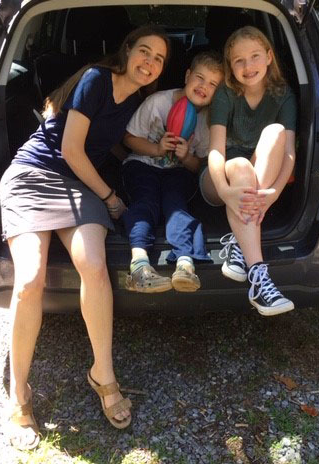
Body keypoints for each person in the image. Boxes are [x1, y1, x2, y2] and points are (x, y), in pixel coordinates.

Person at [0, 26, 170, 449]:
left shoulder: (134, 99)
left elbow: (113, 140)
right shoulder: (96, 78)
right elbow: (74, 150)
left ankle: (103, 376)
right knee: (29, 281)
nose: (148, 62)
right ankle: (20, 395)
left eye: (159, 59)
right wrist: (112, 197)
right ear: (126, 51)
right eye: (143, 51)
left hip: (77, 185)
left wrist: (161, 152)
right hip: (36, 176)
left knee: (94, 267)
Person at [199, 26, 297, 316]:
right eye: (238, 60)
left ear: (268, 57)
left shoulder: (283, 94)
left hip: (255, 183)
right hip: (217, 179)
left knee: (277, 131)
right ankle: (259, 275)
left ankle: (240, 244)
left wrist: (274, 193)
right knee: (240, 166)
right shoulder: (226, 95)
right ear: (230, 66)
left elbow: (289, 152)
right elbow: (216, 151)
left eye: (254, 56)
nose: (248, 66)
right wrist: (226, 192)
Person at [121, 51, 224, 293]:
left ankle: (185, 264)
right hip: (142, 164)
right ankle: (139, 264)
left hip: (178, 172)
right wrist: (156, 149)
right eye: (199, 78)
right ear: (187, 75)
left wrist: (186, 156)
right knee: (146, 201)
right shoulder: (158, 102)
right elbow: (128, 138)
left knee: (174, 204)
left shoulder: (209, 121)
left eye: (212, 84)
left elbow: (201, 166)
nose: (203, 87)